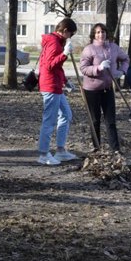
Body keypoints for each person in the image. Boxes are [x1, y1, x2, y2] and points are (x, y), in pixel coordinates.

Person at [79, 23, 129, 152]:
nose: (101, 34)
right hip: (91, 90)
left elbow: (126, 59)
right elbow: (83, 69)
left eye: (103, 32)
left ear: (106, 33)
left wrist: (122, 71)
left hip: (107, 88)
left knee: (110, 120)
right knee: (95, 120)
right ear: (94, 35)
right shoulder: (89, 49)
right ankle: (97, 148)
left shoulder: (113, 48)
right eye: (98, 32)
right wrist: (99, 68)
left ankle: (115, 149)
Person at [37, 18, 78, 165]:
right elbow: (49, 66)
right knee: (49, 120)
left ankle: (60, 151)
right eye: (71, 34)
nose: (70, 37)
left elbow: (57, 67)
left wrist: (66, 81)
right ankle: (43, 154)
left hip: (56, 85)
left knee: (66, 114)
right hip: (50, 86)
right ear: (65, 30)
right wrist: (65, 54)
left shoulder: (56, 41)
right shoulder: (54, 42)